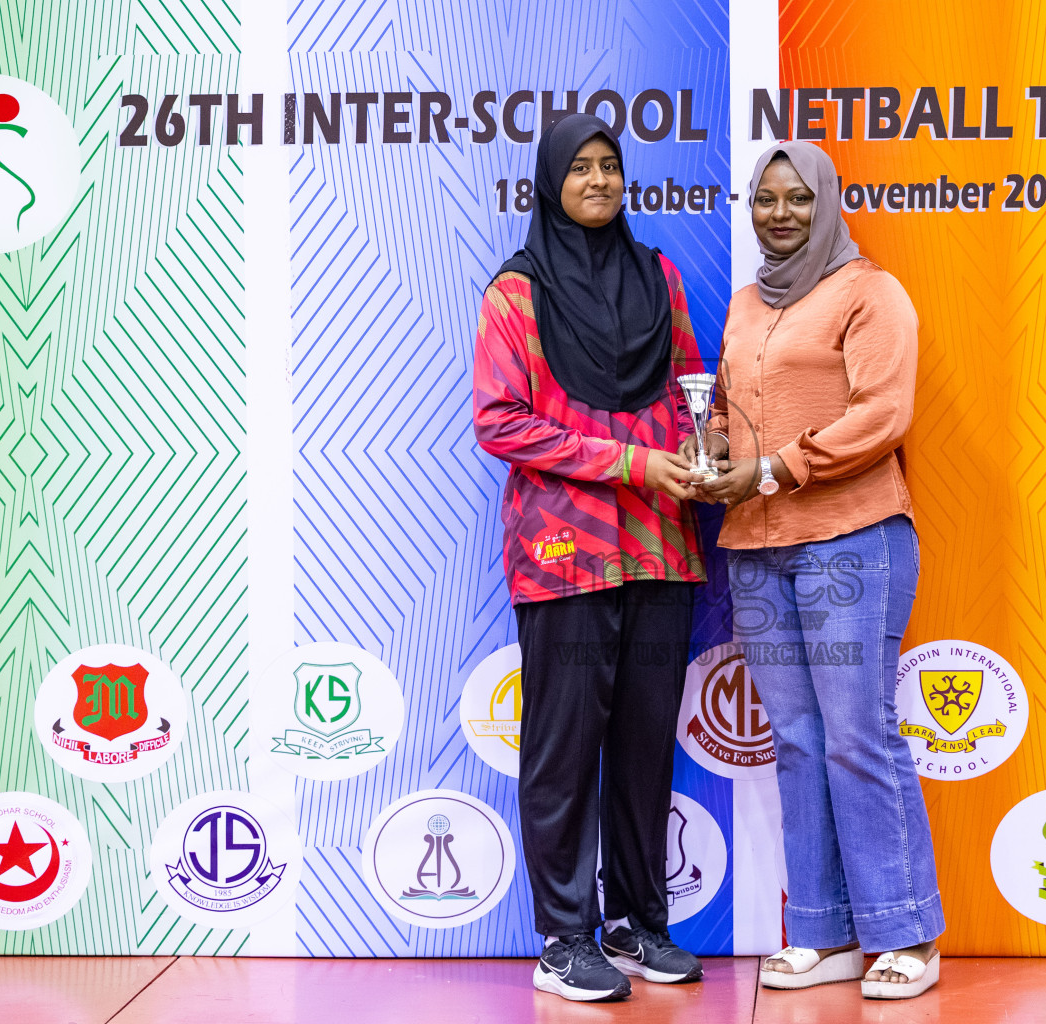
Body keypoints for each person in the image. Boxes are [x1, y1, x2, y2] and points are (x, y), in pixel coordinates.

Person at [692, 140, 944, 1000]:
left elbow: (885, 413)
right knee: (796, 743)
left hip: (850, 539)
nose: (781, 213)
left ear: (827, 201)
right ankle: (825, 934)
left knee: (857, 736)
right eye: (766, 199)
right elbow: (726, 407)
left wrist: (772, 468)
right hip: (758, 549)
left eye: (798, 198)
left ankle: (906, 931)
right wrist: (713, 448)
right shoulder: (744, 303)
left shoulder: (869, 292)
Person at [472, 112, 706, 1003]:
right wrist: (633, 463)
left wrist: (705, 450)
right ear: (552, 183)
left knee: (646, 747)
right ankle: (564, 937)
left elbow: (691, 392)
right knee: (564, 750)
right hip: (564, 552)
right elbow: (501, 421)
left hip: (662, 550)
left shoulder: (661, 277)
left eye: (611, 166)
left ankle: (638, 922)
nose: (601, 182)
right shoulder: (517, 294)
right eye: (583, 169)